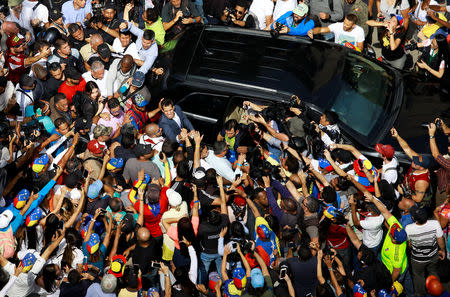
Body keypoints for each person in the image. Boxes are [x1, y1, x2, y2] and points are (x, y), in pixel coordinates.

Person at [405, 205, 446, 296]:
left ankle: (420, 294)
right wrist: (442, 250)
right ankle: (435, 290)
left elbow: (410, 244)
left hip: (418, 259)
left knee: (418, 276)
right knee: (433, 271)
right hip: (433, 255)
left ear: (413, 218)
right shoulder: (435, 224)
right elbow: (440, 239)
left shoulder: (409, 228)